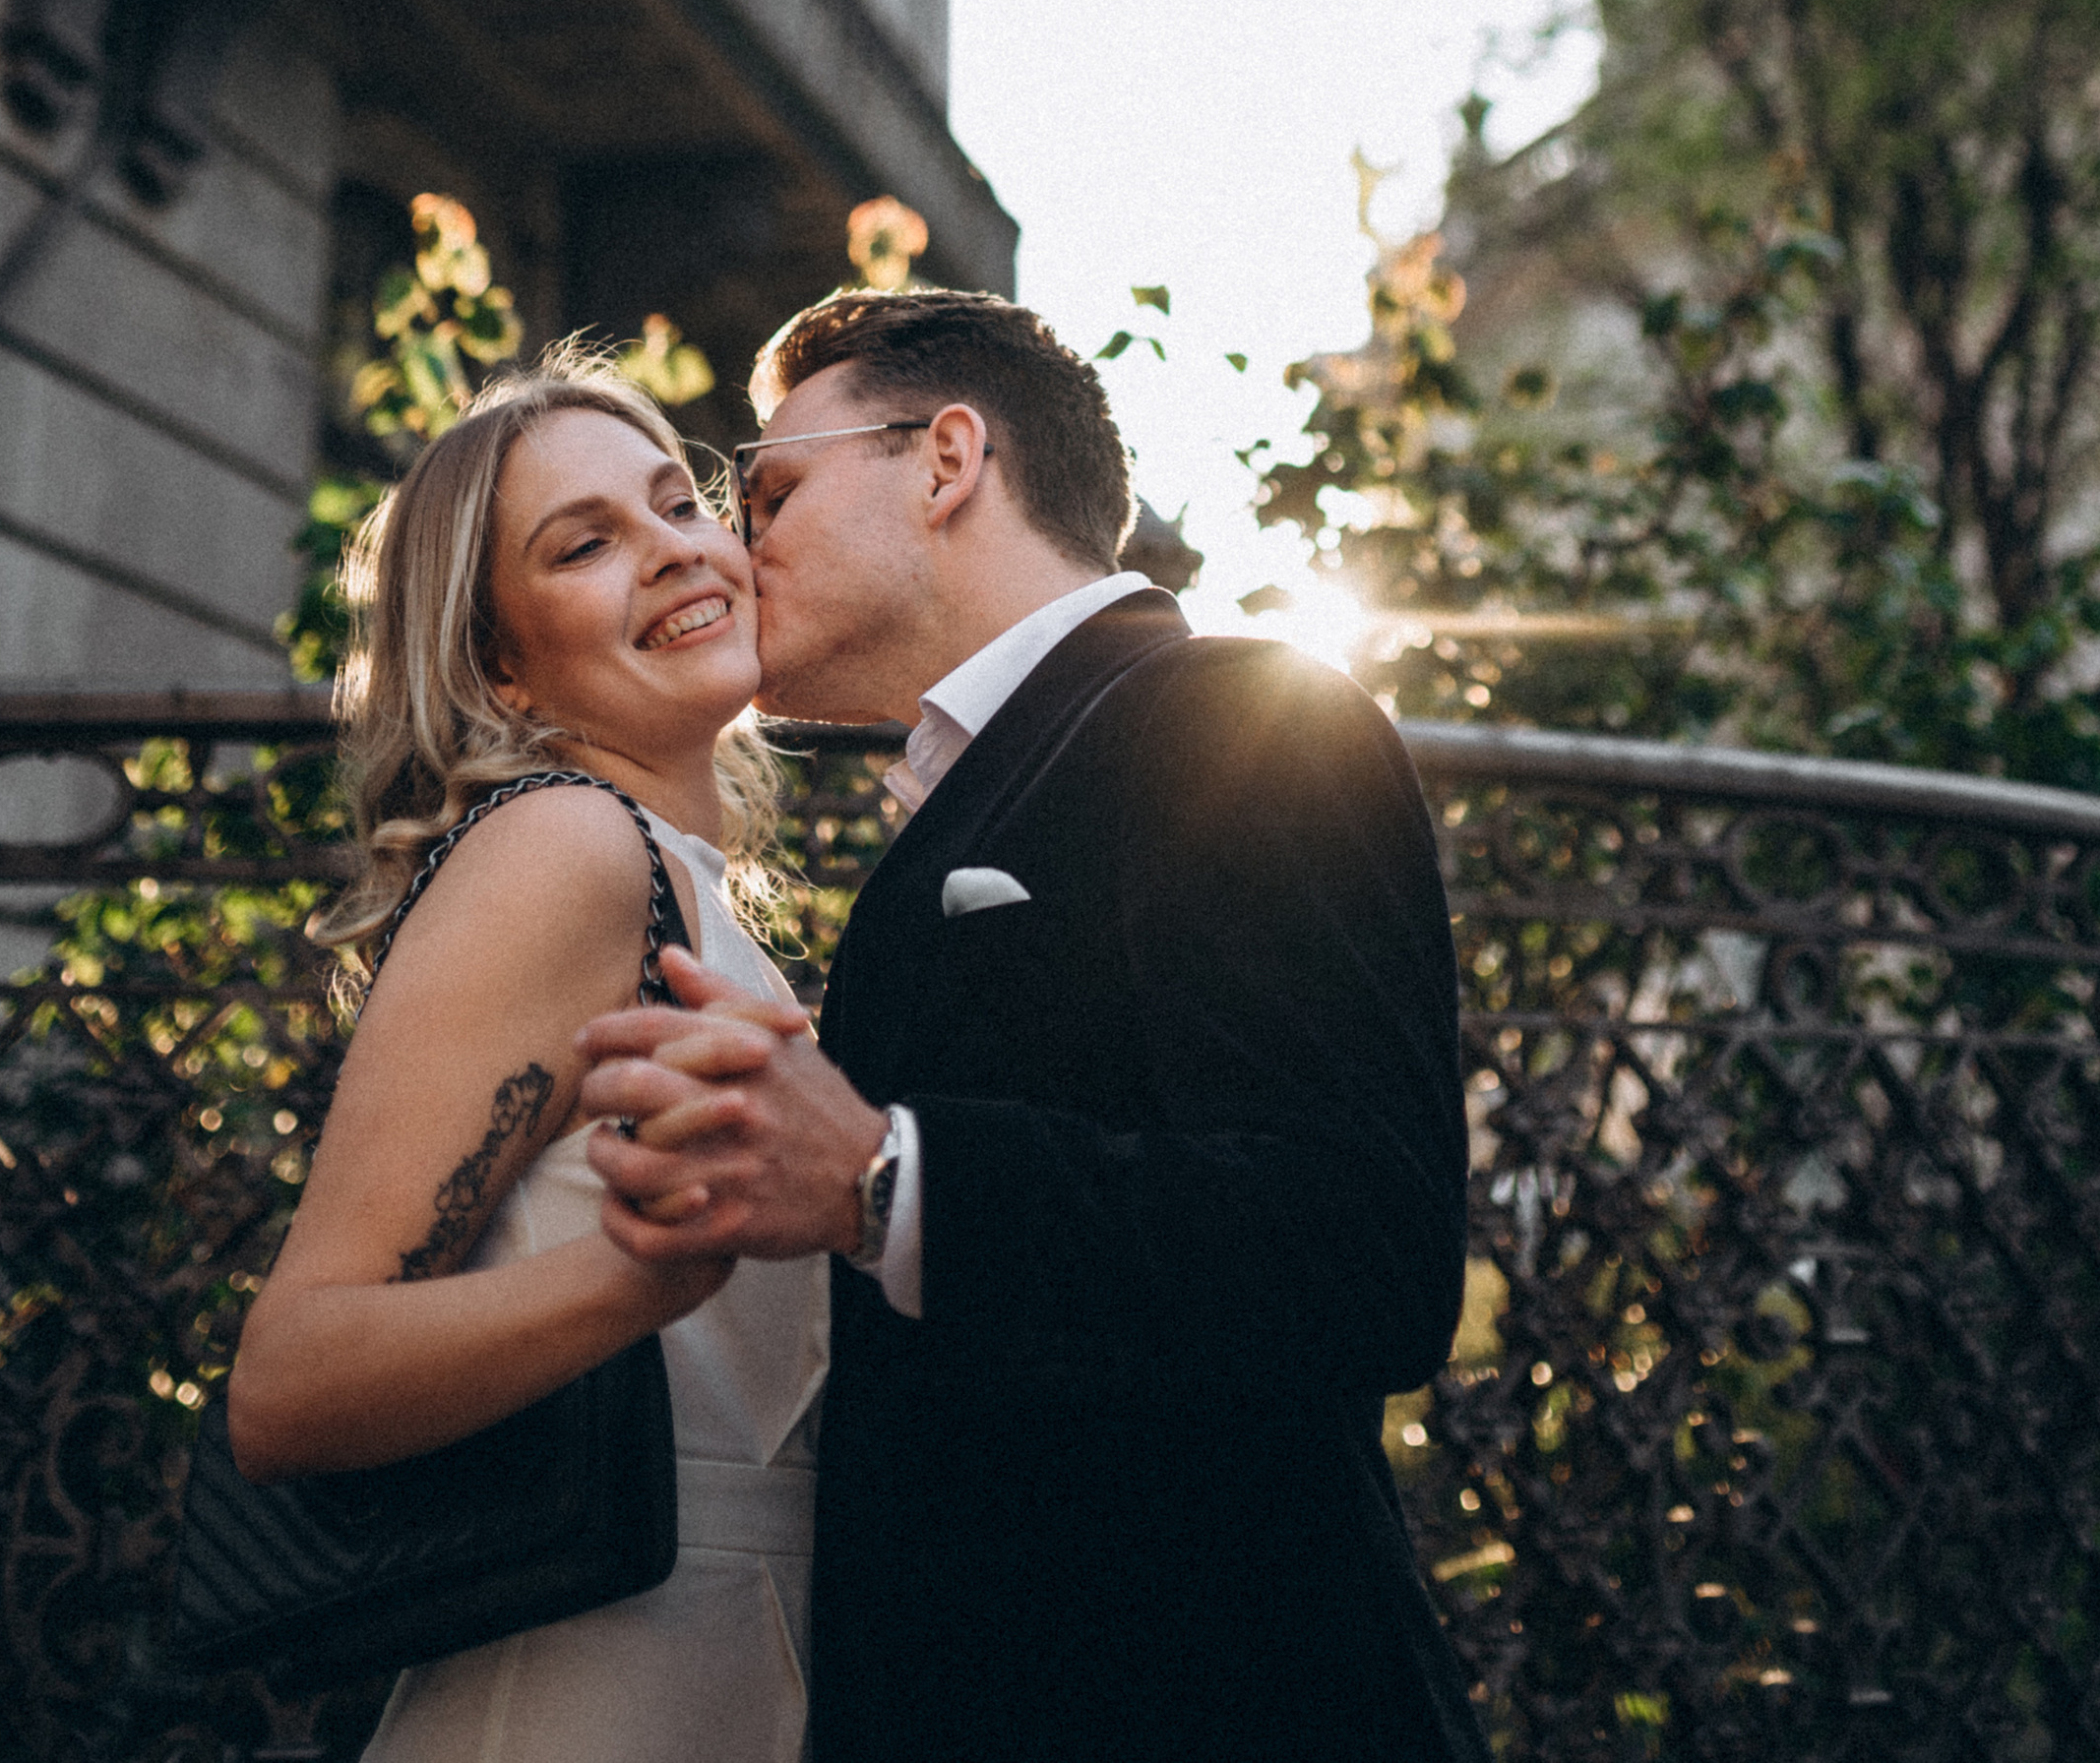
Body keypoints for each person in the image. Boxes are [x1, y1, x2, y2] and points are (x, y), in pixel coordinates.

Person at [579, 287, 1488, 1763]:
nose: (744, 546)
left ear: (945, 461)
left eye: (776, 488)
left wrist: (888, 1181)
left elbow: (1363, 1254)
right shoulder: (975, 787)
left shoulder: (1237, 711)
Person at [227, 353, 826, 1763]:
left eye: (680, 502)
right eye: (587, 543)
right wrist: (634, 1280)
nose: (678, 548)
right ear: (501, 659)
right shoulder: (563, 849)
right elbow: (291, 1382)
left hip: (749, 1673)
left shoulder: (683, 884)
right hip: (586, 1693)